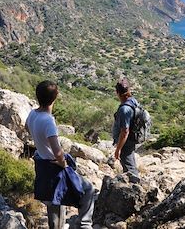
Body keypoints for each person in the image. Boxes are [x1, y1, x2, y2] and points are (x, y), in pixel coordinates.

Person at [26, 80, 95, 229]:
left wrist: (39, 142)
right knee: (88, 189)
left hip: (42, 164)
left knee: (54, 202)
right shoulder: (48, 121)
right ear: (54, 98)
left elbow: (27, 128)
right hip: (54, 167)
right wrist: (63, 163)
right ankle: (84, 225)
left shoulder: (33, 114)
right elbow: (57, 152)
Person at [112, 78, 140, 178]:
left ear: (117, 92)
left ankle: (134, 187)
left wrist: (118, 149)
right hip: (132, 138)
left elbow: (124, 131)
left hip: (126, 142)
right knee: (130, 163)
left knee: (129, 168)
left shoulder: (125, 109)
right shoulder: (133, 101)